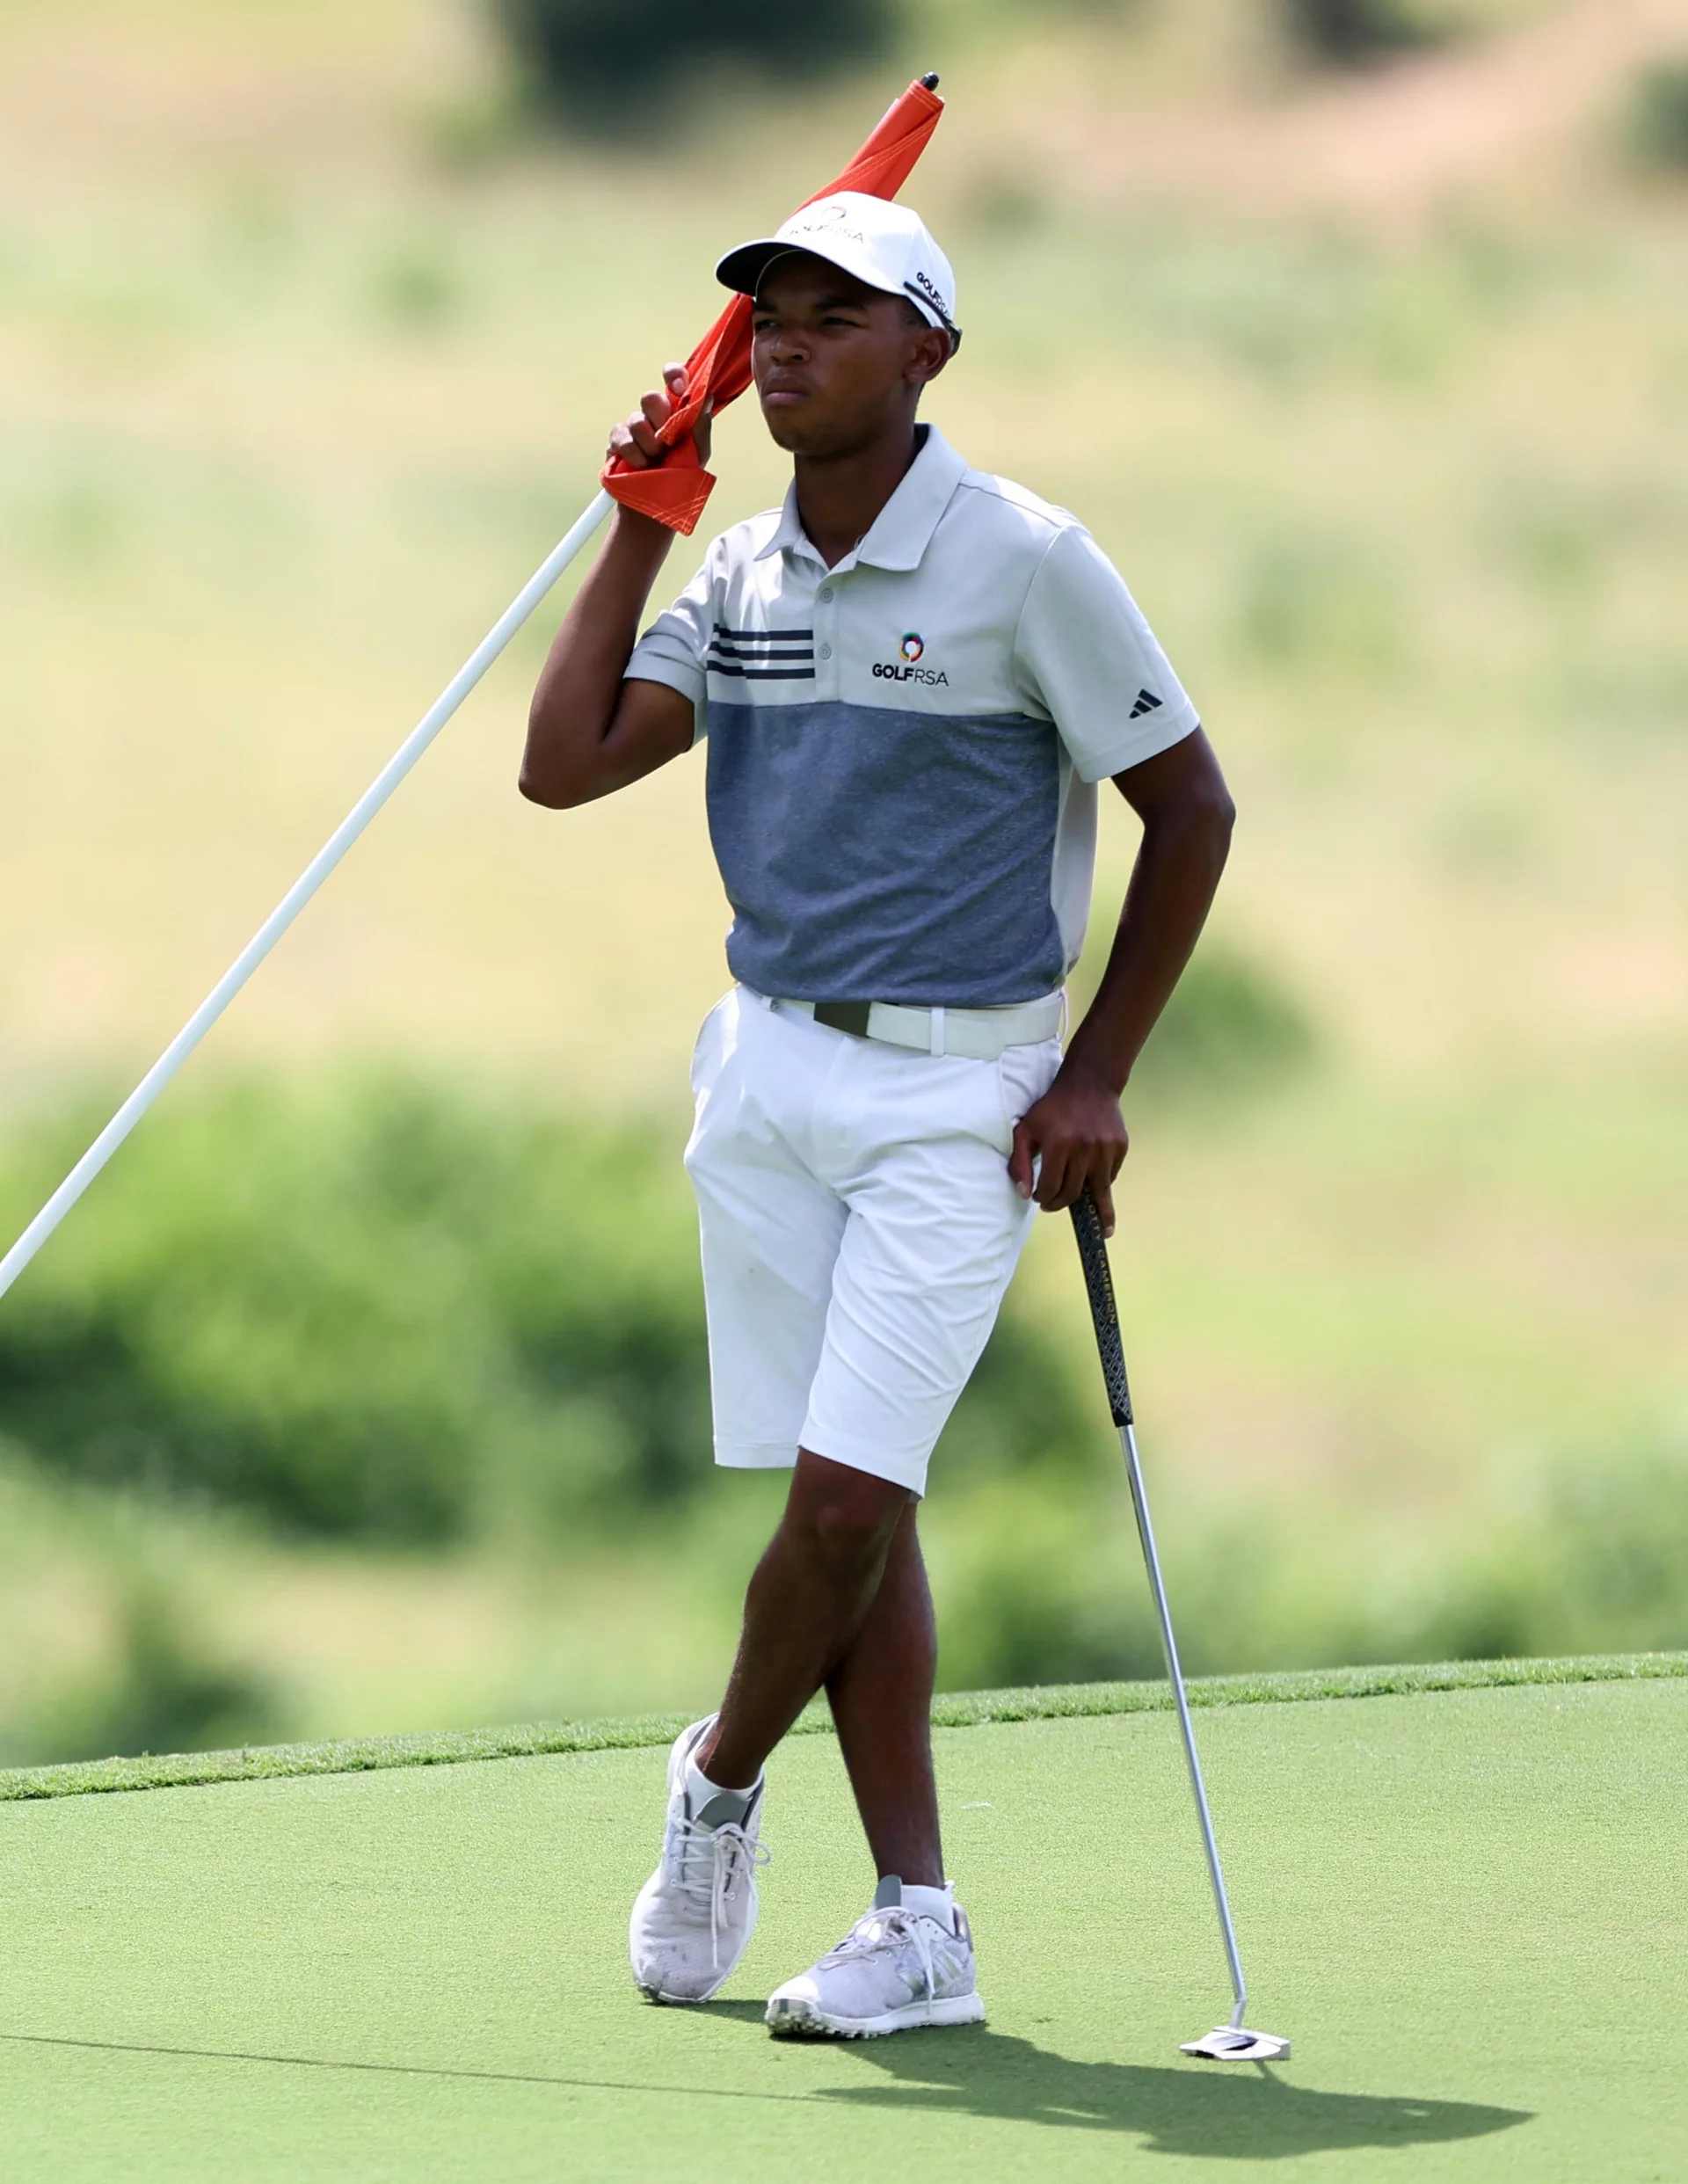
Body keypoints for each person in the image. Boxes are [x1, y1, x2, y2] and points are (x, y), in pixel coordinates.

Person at [520, 191, 1234, 2040]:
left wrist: (1098, 1072)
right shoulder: (740, 572)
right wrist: (635, 524)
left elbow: (1195, 808)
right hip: (765, 1071)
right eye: (767, 318)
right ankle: (921, 1925)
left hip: (961, 1093)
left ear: (929, 354)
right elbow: (563, 764)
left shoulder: (1026, 561)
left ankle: (719, 1777)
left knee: (842, 1509)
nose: (784, 345)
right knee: (867, 1495)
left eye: (835, 318)